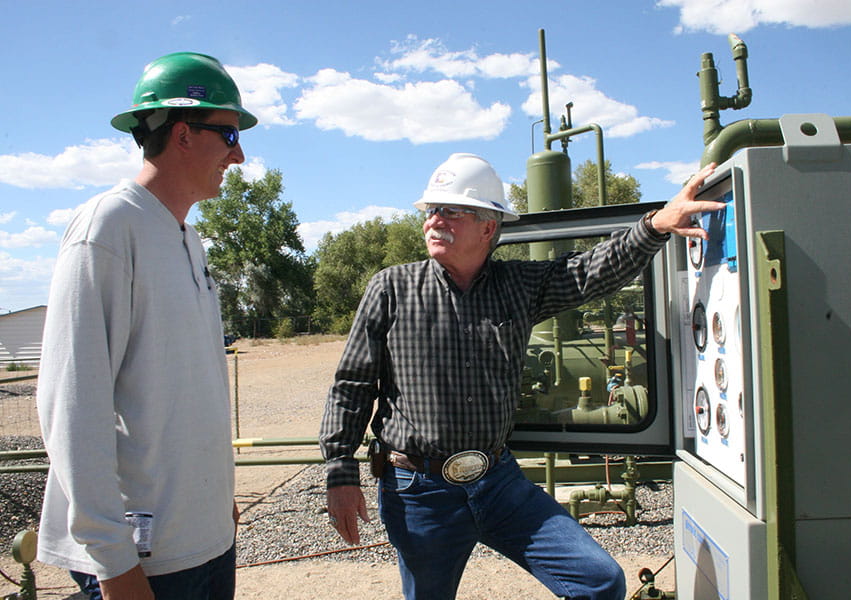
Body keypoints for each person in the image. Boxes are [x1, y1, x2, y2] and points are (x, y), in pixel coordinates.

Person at [319, 152, 724, 599]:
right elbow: (352, 384)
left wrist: (655, 225)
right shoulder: (391, 288)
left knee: (599, 581)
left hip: (497, 482)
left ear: (488, 227)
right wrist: (341, 470)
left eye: (451, 211)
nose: (435, 220)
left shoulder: (518, 286)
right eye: (431, 210)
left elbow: (590, 272)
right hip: (419, 490)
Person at [36, 52, 256, 600]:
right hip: (143, 562)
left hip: (202, 540)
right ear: (182, 134)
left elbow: (183, 386)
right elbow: (71, 404)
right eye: (228, 135)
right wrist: (113, 563)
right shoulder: (108, 228)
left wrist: (213, 499)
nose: (240, 154)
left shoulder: (188, 239)